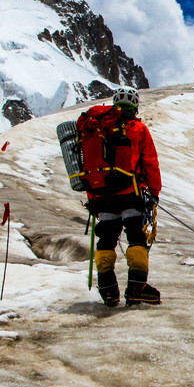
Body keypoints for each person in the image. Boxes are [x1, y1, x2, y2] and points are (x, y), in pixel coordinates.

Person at [77, 87, 161, 306]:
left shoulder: (96, 129)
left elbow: (89, 166)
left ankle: (107, 290)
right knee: (136, 238)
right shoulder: (138, 128)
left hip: (101, 195)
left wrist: (92, 197)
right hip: (130, 192)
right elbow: (150, 162)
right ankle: (136, 287)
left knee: (106, 240)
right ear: (135, 107)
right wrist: (154, 192)